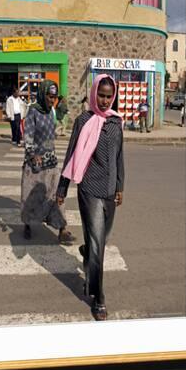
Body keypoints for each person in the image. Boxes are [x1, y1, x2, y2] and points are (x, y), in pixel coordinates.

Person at [56, 74, 124, 321]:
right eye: (101, 95)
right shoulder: (83, 120)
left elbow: (119, 156)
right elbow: (72, 152)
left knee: (99, 242)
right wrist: (62, 188)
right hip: (89, 190)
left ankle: (87, 250)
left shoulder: (117, 122)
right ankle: (98, 297)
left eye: (109, 96)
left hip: (109, 191)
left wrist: (120, 185)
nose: (105, 100)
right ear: (94, 93)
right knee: (99, 249)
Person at [21, 80, 76, 245]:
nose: (52, 100)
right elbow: (28, 135)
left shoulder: (51, 110)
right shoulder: (33, 111)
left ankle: (62, 229)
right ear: (42, 94)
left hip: (51, 161)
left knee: (56, 196)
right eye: (49, 96)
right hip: (35, 164)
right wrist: (32, 154)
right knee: (32, 198)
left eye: (54, 97)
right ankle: (28, 225)